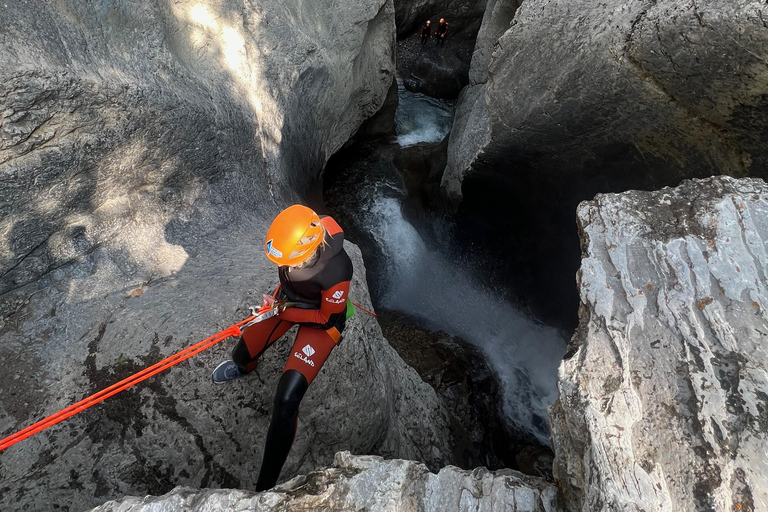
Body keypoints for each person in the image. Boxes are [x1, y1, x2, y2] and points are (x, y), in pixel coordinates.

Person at [211, 204, 353, 491]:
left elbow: (327, 318)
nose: (285, 267)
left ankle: (265, 484)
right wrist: (282, 306)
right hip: (288, 301)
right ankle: (244, 366)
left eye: (291, 262)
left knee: (287, 399)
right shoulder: (300, 236)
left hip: (319, 319)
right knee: (244, 350)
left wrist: (284, 313)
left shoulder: (337, 270)